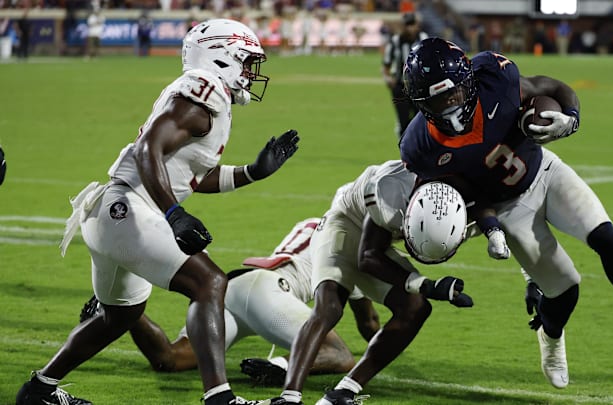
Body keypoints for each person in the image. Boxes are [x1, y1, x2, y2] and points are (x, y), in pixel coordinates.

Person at [16, 19, 299, 405]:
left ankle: (38, 391)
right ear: (221, 56)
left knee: (120, 317)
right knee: (211, 283)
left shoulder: (206, 101)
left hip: (112, 212)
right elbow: (148, 149)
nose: (250, 72)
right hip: (127, 209)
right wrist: (174, 214)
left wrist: (252, 172)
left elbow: (191, 175)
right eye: (246, 61)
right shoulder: (207, 90)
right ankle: (220, 399)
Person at [399, 37, 613, 389]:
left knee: (606, 238)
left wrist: (570, 120)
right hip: (509, 208)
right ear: (421, 102)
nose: (452, 103)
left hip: (545, 173)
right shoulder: (420, 145)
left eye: (455, 92)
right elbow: (464, 194)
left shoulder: (494, 78)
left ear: (468, 81)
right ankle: (551, 338)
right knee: (566, 290)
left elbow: (551, 86)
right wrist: (490, 226)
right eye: (440, 98)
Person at [265, 160, 509, 405]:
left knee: (415, 308)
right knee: (329, 306)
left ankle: (343, 392)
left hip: (380, 240)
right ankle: (289, 397)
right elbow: (368, 257)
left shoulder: (462, 203)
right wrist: (427, 285)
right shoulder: (388, 191)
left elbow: (488, 204)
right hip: (345, 224)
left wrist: (494, 232)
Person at [78, 218, 380, 386]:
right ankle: (278, 366)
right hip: (269, 292)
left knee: (171, 359)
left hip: (239, 287)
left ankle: (119, 308)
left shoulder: (316, 224)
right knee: (339, 354)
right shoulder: (348, 243)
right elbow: (368, 323)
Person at [381, 12, 427, 139]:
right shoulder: (395, 41)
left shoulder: (423, 38)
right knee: (403, 120)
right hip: (400, 88)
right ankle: (405, 151)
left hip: (420, 88)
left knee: (421, 121)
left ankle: (420, 150)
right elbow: (386, 64)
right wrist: (388, 78)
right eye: (407, 25)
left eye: (412, 25)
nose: (410, 28)